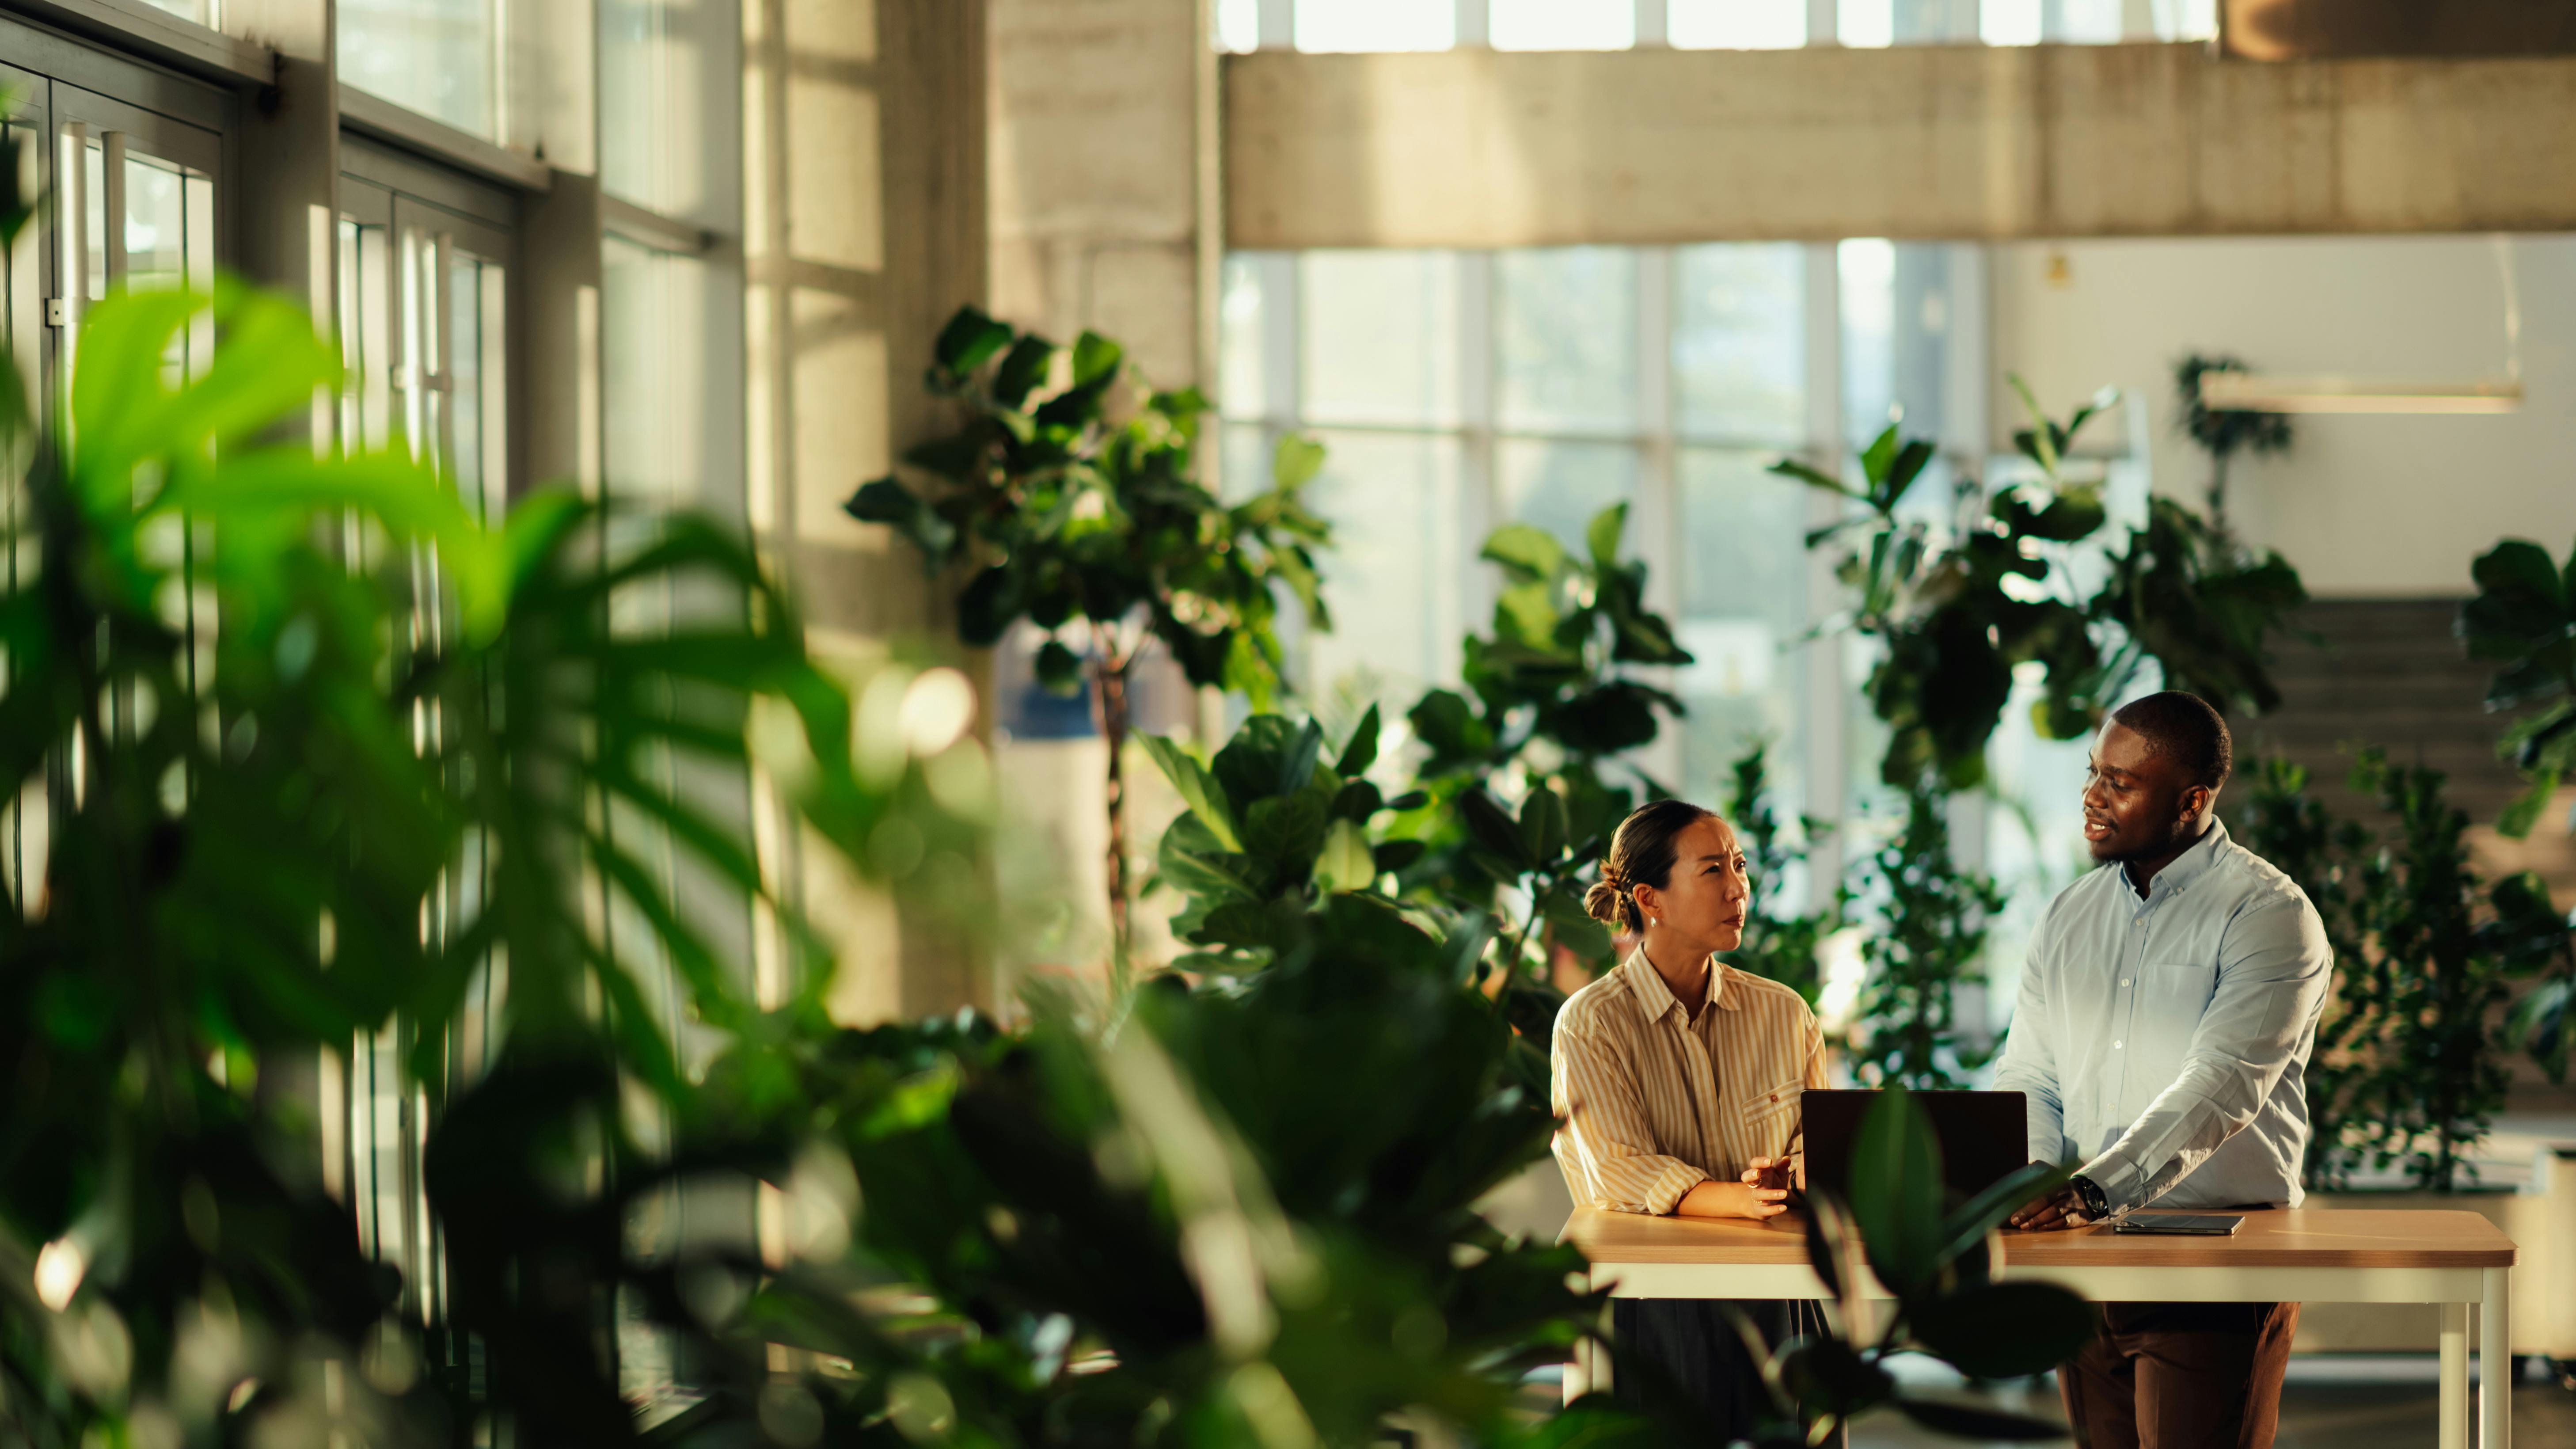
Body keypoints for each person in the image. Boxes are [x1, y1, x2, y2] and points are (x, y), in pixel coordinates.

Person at [1992, 691, 2332, 1449]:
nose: (2091, 796)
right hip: (2083, 1259)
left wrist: (2090, 1190)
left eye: (2120, 782)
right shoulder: (2068, 914)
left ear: (2192, 800)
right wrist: (2039, 1180)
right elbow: (2030, 1071)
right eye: (2092, 774)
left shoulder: (2268, 914)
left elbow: (2224, 1081)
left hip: (2214, 1260)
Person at [1551, 798, 1830, 1440]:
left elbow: (1820, 1139)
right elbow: (1617, 1165)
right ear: (1650, 897)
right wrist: (1735, 1198)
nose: (1738, 887)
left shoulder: (1784, 1014)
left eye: (1737, 865)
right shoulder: (1592, 1022)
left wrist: (1790, 1178)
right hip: (1648, 1304)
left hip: (1778, 1294)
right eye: (1712, 870)